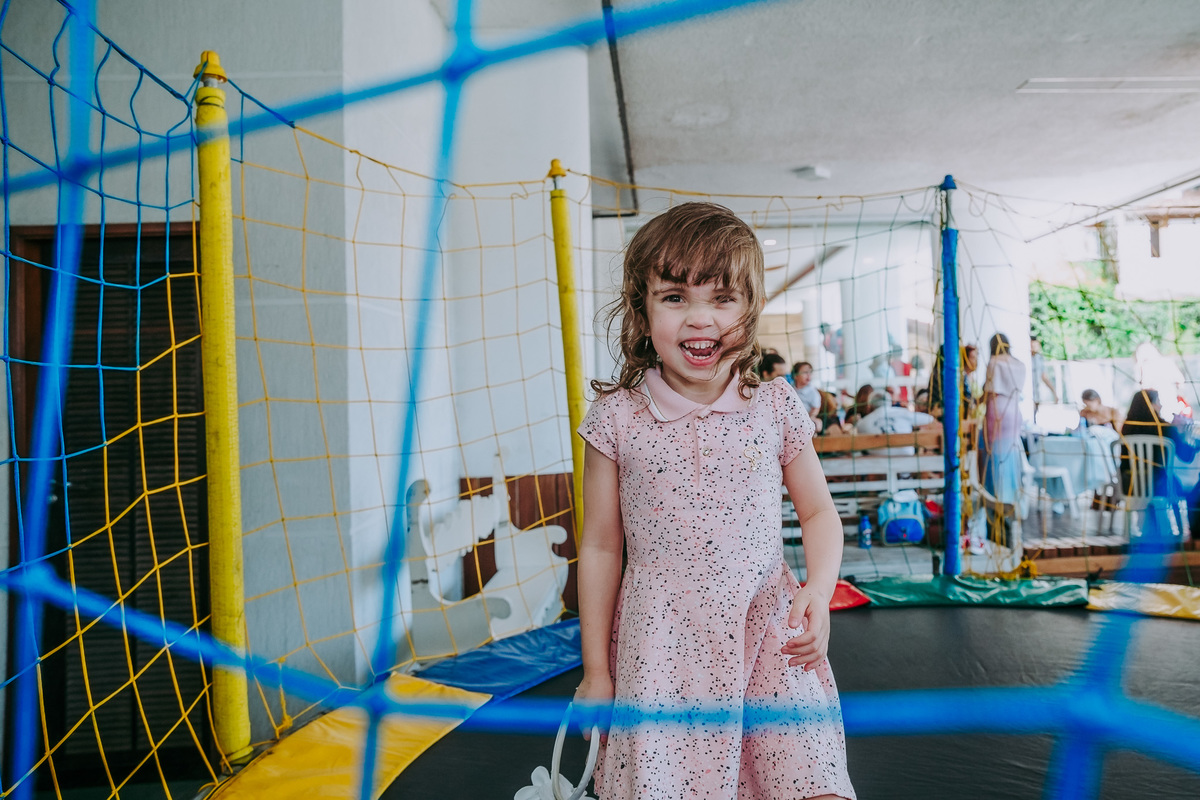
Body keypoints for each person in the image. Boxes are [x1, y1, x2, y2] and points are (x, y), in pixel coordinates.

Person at [575, 202, 856, 800]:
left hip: (767, 622)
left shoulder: (775, 405)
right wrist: (597, 671)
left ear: (750, 310)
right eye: (675, 297)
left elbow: (818, 513)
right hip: (663, 639)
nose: (699, 318)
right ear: (642, 309)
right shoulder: (618, 418)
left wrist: (819, 591)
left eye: (722, 298)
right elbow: (600, 545)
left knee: (807, 780)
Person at [1120, 389, 1198, 522]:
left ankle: (1149, 524)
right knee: (1188, 490)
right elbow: (1187, 457)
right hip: (1160, 483)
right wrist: (1184, 435)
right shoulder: (1165, 428)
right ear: (1149, 405)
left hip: (1130, 482)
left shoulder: (1126, 428)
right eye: (1158, 402)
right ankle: (1180, 528)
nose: (1160, 406)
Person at [980, 332, 1026, 506]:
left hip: (997, 412)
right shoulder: (1018, 364)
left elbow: (990, 392)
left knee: (996, 456)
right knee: (1010, 455)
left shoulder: (994, 362)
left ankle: (998, 498)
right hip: (1014, 412)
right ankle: (1012, 498)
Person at [853, 392, 937, 455]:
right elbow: (930, 419)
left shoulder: (862, 423)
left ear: (869, 406)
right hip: (906, 459)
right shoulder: (903, 413)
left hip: (878, 466)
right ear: (890, 402)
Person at [1029, 336, 1058, 421]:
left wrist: (1054, 392)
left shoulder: (1039, 358)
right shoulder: (1024, 357)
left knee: (1034, 416)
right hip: (1026, 395)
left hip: (1036, 394)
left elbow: (1044, 377)